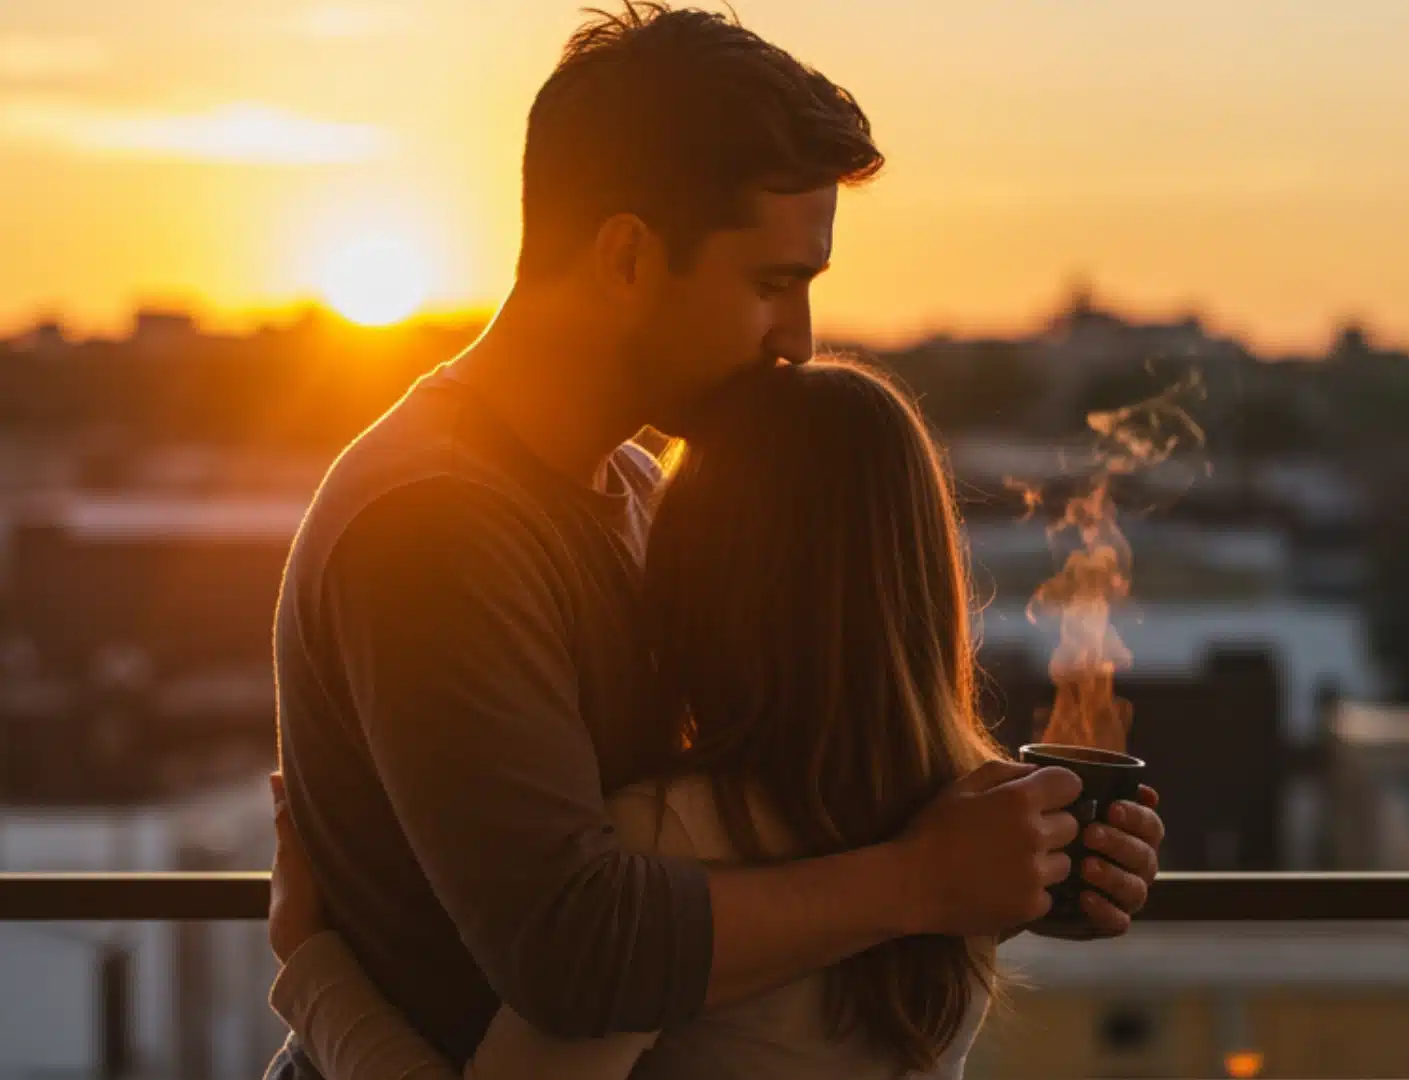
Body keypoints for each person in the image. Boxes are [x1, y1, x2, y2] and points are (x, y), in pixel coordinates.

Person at [268, 5, 1166, 1078]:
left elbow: (745, 825)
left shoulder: (632, 487)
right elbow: (576, 949)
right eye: (772, 284)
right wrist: (922, 879)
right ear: (627, 256)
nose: (800, 341)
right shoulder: (435, 526)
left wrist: (1009, 843)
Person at [268, 360, 1152, 1078]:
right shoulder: (974, 827)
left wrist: (311, 970)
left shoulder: (669, 840)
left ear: (697, 572)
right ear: (927, 575)